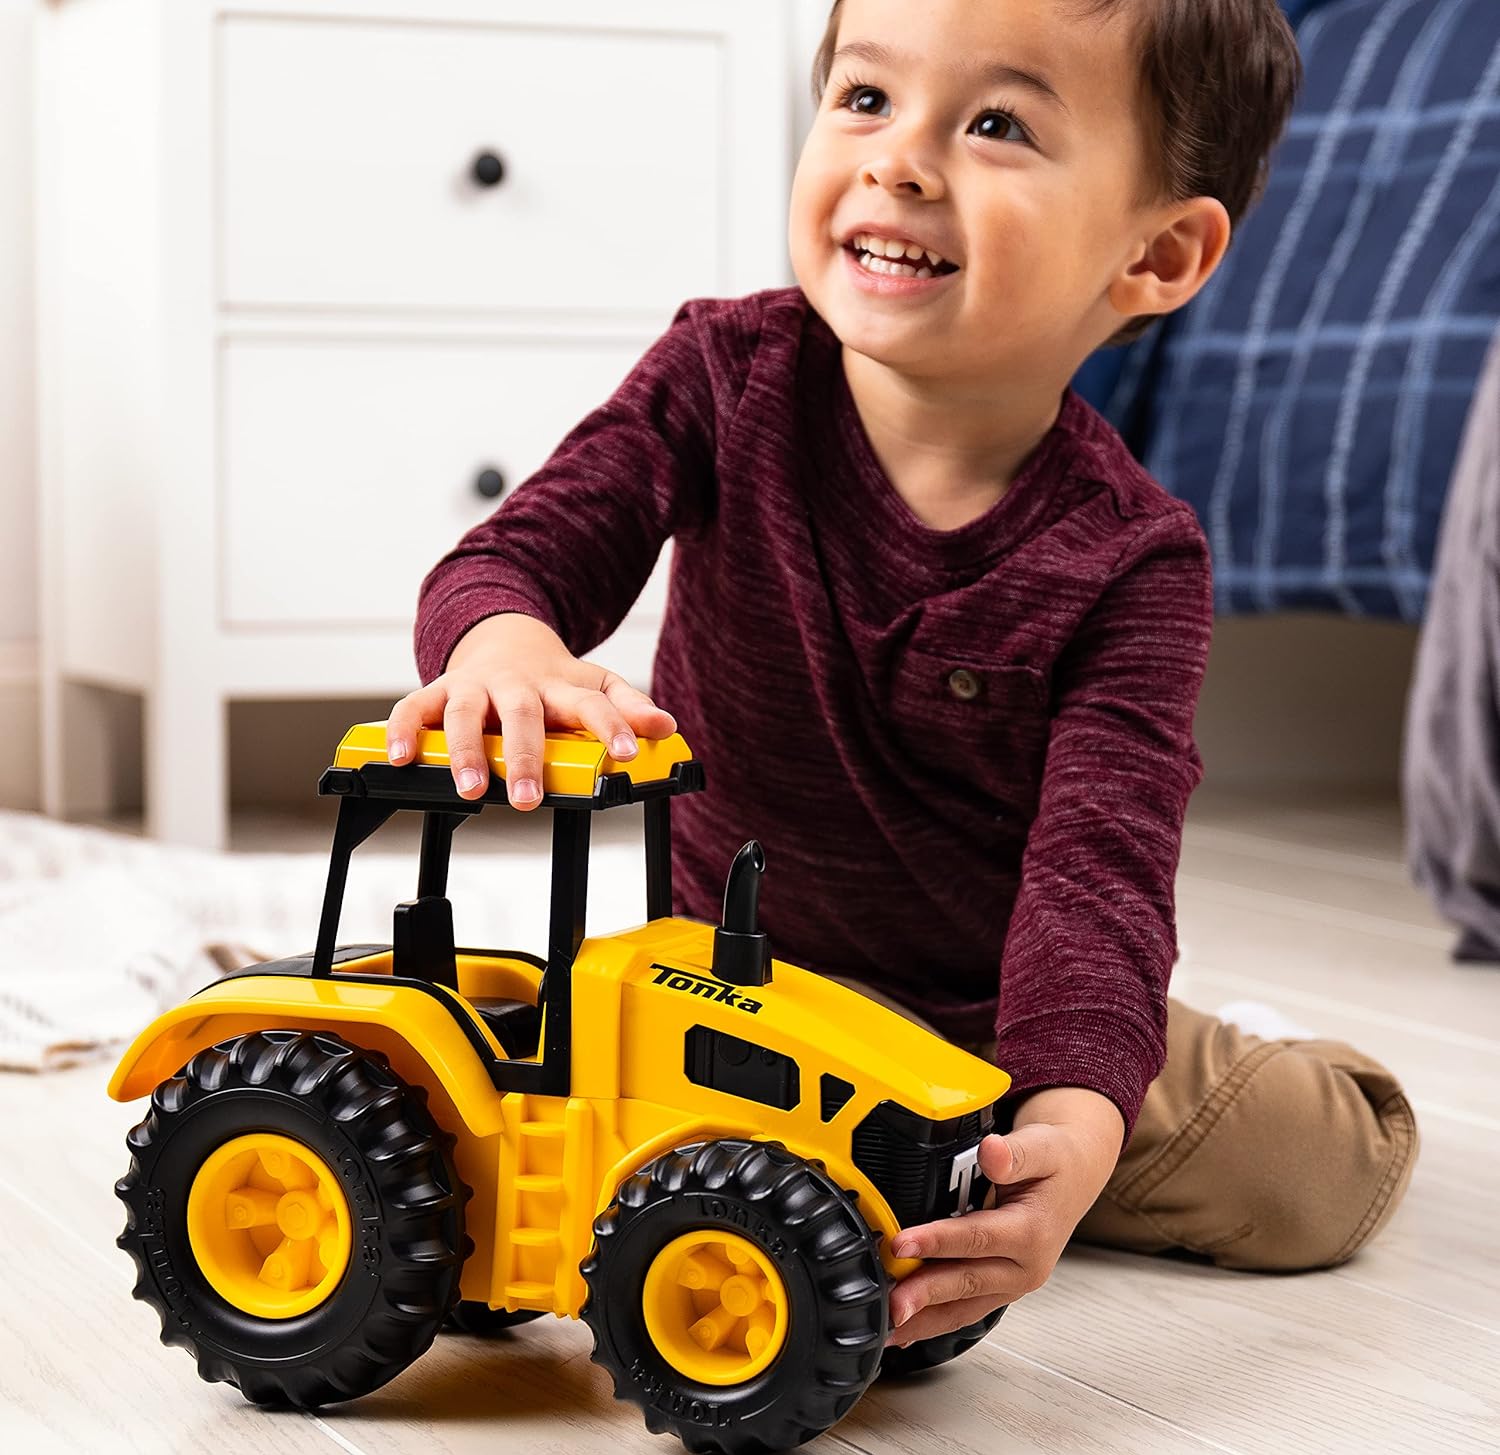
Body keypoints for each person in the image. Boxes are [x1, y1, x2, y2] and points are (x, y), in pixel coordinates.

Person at [389, 0, 1418, 1355]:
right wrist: (504, 647)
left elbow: (1097, 869)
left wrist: (1068, 1121)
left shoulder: (1133, 564)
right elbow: (521, 553)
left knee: (1309, 1182)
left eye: (995, 125)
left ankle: (1190, 1067)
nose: (900, 161)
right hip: (716, 996)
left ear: (1158, 253)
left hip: (977, 1036)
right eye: (865, 99)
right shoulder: (726, 373)